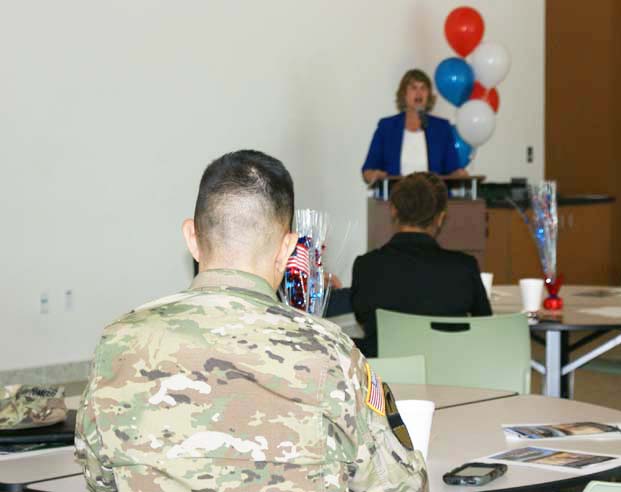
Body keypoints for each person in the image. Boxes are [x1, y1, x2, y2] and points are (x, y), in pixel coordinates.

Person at [75, 150, 428, 492]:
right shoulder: (328, 352)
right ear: (288, 249)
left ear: (191, 238)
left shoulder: (119, 344)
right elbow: (400, 484)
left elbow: (99, 477)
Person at [351, 172, 492, 357]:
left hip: (388, 378)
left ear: (393, 210)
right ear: (441, 217)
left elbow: (362, 318)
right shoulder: (464, 267)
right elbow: (485, 325)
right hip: (449, 376)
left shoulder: (366, 266)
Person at [362, 69, 469, 184]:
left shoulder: (441, 128)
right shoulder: (387, 127)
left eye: (423, 88)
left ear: (428, 94)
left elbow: (452, 169)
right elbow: (368, 170)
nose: (419, 93)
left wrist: (459, 174)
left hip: (433, 197)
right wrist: (374, 175)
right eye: (413, 88)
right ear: (404, 94)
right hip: (396, 196)